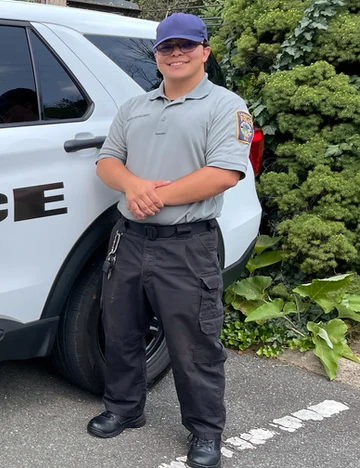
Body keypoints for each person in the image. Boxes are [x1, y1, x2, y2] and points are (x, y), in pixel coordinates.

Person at [88, 13, 255, 468]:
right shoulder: (135, 106)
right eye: (166, 47)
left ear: (204, 51)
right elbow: (106, 161)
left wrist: (151, 195)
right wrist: (132, 185)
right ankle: (124, 408)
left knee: (193, 343)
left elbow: (224, 173)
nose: (175, 53)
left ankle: (205, 432)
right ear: (156, 55)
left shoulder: (225, 106)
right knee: (121, 329)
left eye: (186, 45)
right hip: (129, 238)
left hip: (187, 244)